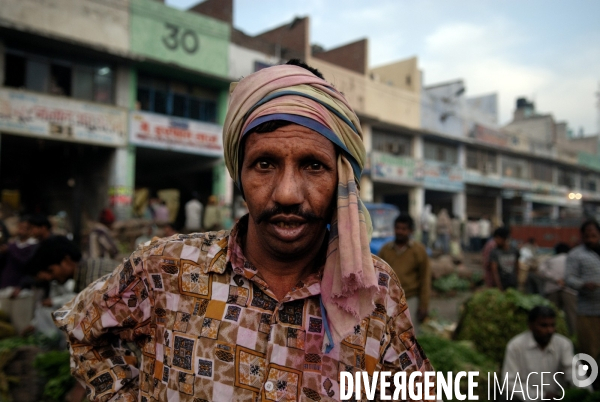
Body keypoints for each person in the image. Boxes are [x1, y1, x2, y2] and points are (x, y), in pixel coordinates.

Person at [53, 60, 434, 401]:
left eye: (313, 166)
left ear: (342, 178)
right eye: (264, 164)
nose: (287, 194)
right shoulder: (165, 269)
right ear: (239, 173)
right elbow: (83, 331)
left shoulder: (374, 290)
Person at [502, 306, 574, 401]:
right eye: (544, 326)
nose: (550, 330)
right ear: (531, 326)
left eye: (552, 325)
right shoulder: (516, 346)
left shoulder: (563, 344)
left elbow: (573, 371)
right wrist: (541, 395)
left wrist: (585, 391)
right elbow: (509, 382)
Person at [378, 214, 431, 334]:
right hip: (388, 300)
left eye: (404, 229)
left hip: (410, 299)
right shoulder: (385, 250)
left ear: (410, 231)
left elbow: (425, 279)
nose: (400, 231)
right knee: (388, 336)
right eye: (397, 228)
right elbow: (378, 276)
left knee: (409, 337)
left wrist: (424, 305)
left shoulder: (419, 251)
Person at [565, 219, 600, 383]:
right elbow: (569, 279)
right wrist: (583, 285)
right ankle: (589, 387)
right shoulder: (575, 255)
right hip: (587, 312)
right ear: (582, 236)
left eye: (594, 236)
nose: (591, 239)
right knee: (589, 353)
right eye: (587, 236)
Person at [537, 243, 577, 335]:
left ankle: (550, 334)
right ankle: (573, 336)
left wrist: (555, 279)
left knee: (550, 314)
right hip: (569, 291)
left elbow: (541, 271)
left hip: (552, 289)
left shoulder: (551, 259)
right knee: (571, 316)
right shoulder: (572, 260)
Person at [0, 216, 37, 289]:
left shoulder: (33, 246)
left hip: (22, 286)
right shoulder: (11, 244)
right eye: (19, 228)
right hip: (6, 284)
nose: (20, 231)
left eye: (24, 228)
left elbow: (26, 263)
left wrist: (10, 250)